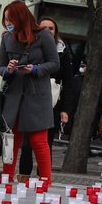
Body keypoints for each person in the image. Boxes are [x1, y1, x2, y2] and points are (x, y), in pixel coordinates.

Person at [0, 0, 59, 180]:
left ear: (21, 18)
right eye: (5, 20)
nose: (7, 23)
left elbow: (55, 63)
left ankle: (45, 181)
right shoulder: (6, 38)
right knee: (11, 141)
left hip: (37, 95)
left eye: (10, 19)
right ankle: (6, 180)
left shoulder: (43, 35)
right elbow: (0, 67)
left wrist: (35, 69)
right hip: (14, 95)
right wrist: (8, 70)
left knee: (39, 141)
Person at [19, 16, 73, 177]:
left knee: (45, 143)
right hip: (31, 98)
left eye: (51, 28)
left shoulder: (62, 51)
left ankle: (43, 178)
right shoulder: (31, 46)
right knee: (27, 143)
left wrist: (65, 109)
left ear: (55, 32)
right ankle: (24, 176)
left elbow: (69, 82)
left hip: (52, 101)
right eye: (44, 27)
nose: (47, 31)